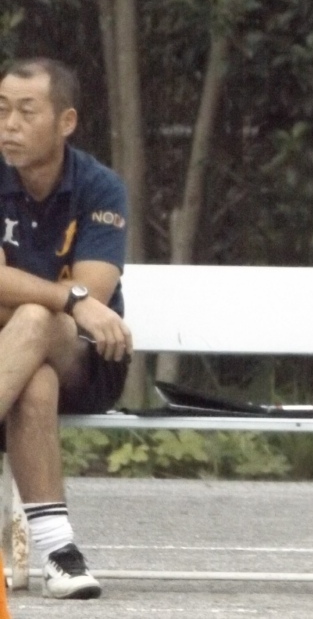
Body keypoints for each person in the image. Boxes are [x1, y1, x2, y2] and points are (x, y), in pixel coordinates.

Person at [0, 57, 132, 599]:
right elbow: (78, 297)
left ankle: (59, 550)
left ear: (66, 121)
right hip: (13, 362)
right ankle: (60, 552)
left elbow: (94, 299)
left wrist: (65, 301)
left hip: (89, 359)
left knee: (34, 319)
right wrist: (69, 297)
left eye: (26, 111)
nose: (9, 124)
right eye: (2, 109)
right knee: (35, 379)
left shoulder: (99, 187)